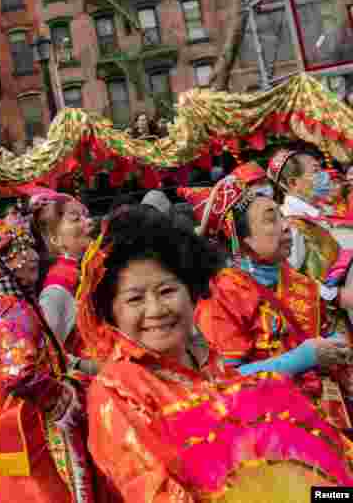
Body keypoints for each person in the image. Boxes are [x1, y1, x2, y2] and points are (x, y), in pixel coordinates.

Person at [79, 207, 353, 501]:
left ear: (192, 291)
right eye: (135, 298)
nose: (156, 310)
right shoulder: (116, 389)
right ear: (111, 313)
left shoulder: (208, 361)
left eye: (167, 291)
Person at [183, 163, 353, 430]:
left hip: (325, 416)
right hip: (270, 429)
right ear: (243, 239)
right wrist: (301, 359)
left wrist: (336, 344)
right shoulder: (222, 296)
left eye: (281, 215)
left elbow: (326, 329)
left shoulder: (296, 279)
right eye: (270, 218)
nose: (286, 226)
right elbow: (222, 380)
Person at [0, 215, 93, 503]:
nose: (31, 256)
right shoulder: (11, 308)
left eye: (30, 247)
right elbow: (21, 374)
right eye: (17, 250)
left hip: (7, 423)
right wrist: (67, 396)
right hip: (35, 427)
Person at [29, 192, 99, 372]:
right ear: (55, 239)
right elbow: (45, 353)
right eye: (76, 219)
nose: (88, 222)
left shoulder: (91, 270)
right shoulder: (58, 287)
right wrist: (86, 366)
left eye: (86, 216)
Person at [267, 149, 341, 282]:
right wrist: (336, 296)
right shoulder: (290, 222)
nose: (325, 175)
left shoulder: (320, 208)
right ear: (293, 183)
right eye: (316, 171)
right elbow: (293, 276)